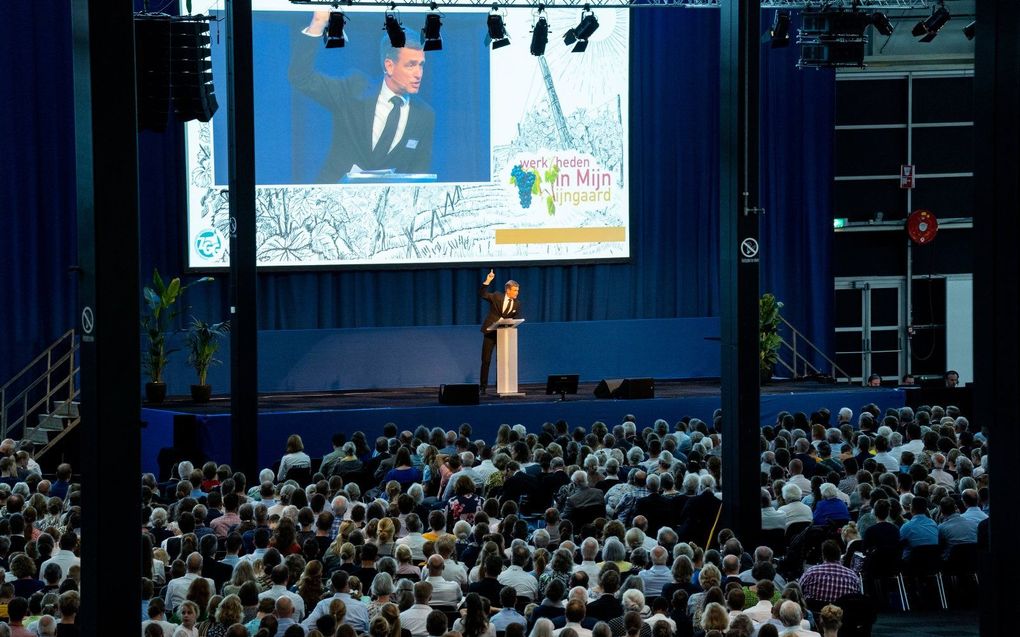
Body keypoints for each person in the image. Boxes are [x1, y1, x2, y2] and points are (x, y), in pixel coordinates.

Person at [290, 12, 435, 182]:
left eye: (421, 65)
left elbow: (419, 178)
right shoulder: (353, 91)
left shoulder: (424, 115)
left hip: (387, 205)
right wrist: (318, 24)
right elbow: (301, 77)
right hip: (335, 200)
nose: (419, 74)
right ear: (389, 66)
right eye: (411, 65)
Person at [478, 270, 521, 394]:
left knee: (502, 360)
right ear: (508, 290)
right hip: (490, 333)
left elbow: (514, 319)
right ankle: (483, 387)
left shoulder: (517, 304)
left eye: (517, 290)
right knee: (486, 360)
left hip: (504, 335)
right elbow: (482, 294)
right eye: (515, 290)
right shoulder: (497, 296)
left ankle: (500, 386)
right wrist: (488, 281)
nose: (517, 293)